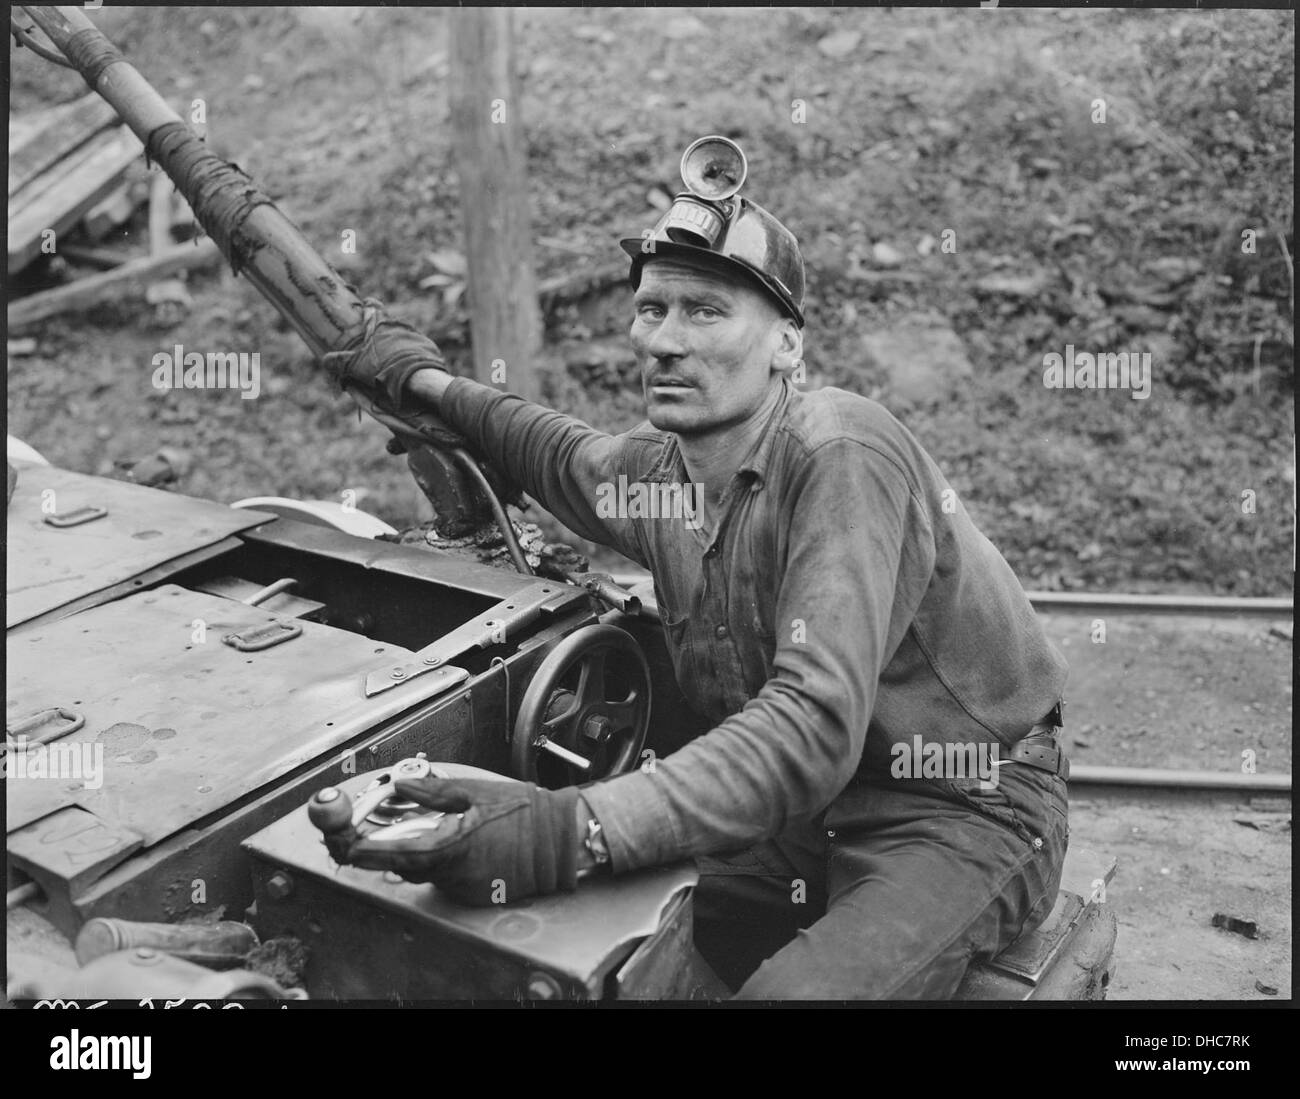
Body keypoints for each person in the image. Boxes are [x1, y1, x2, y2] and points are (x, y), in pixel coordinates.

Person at [325, 138, 1071, 999]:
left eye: (705, 312)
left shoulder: (842, 451)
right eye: (652, 310)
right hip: (802, 814)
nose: (664, 341)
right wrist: (428, 386)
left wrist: (564, 830)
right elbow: (558, 451)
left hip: (959, 806)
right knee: (570, 939)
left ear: (787, 343)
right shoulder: (664, 478)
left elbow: (813, 727)